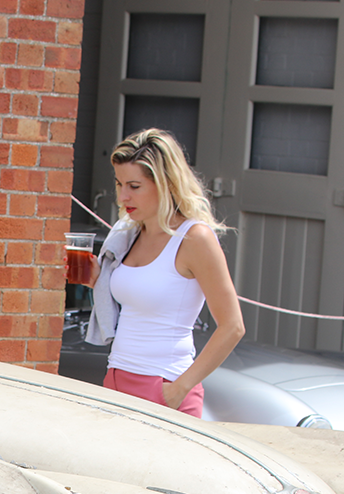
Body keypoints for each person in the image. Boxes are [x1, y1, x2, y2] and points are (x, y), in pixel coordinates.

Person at [84, 128, 244, 417]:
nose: (122, 196)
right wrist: (96, 278)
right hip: (116, 378)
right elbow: (137, 299)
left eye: (134, 186)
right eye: (119, 184)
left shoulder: (195, 238)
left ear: (166, 183)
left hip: (164, 386)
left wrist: (180, 388)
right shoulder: (129, 233)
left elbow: (232, 326)